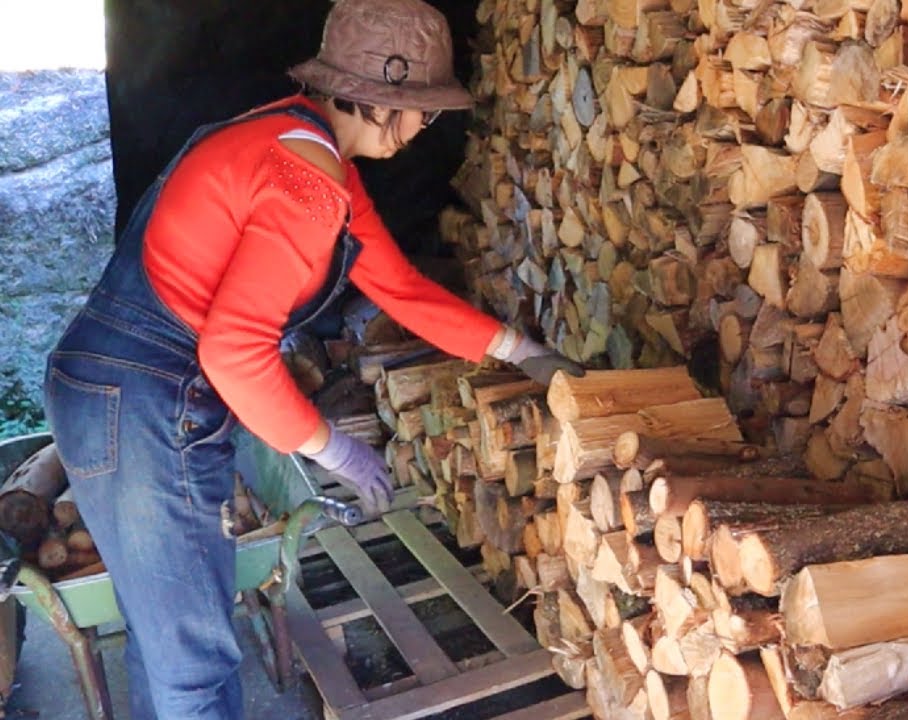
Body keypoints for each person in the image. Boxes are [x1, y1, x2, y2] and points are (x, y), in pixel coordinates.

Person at [41, 0, 582, 717]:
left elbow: (400, 289)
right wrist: (333, 451)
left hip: (123, 385)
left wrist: (525, 352)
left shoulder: (300, 143)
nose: (428, 127)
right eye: (424, 109)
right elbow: (234, 351)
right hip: (145, 398)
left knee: (177, 634)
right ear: (383, 100)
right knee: (194, 665)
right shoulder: (308, 181)